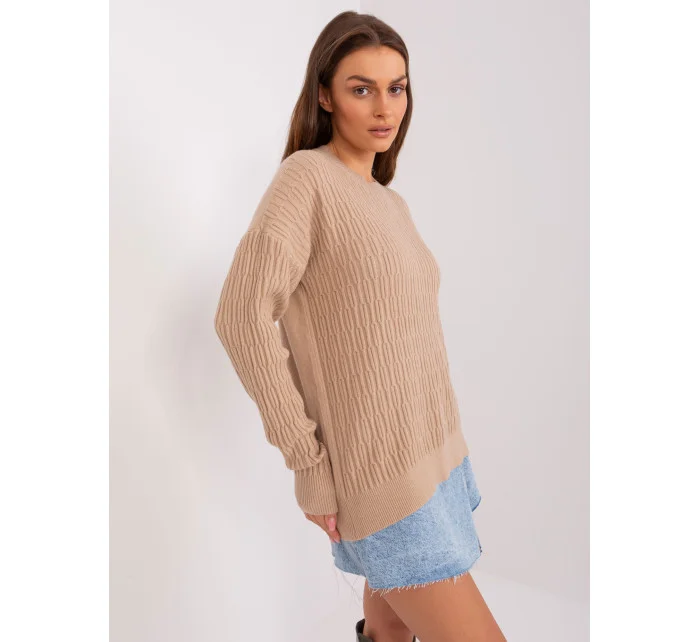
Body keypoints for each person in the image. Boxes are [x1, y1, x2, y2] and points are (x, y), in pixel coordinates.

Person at [214, 10, 507, 642]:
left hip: (432, 462)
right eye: (361, 88)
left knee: (389, 630)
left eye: (396, 87)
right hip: (383, 481)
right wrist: (308, 461)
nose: (384, 107)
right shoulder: (306, 179)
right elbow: (241, 315)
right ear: (325, 95)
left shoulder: (388, 201)